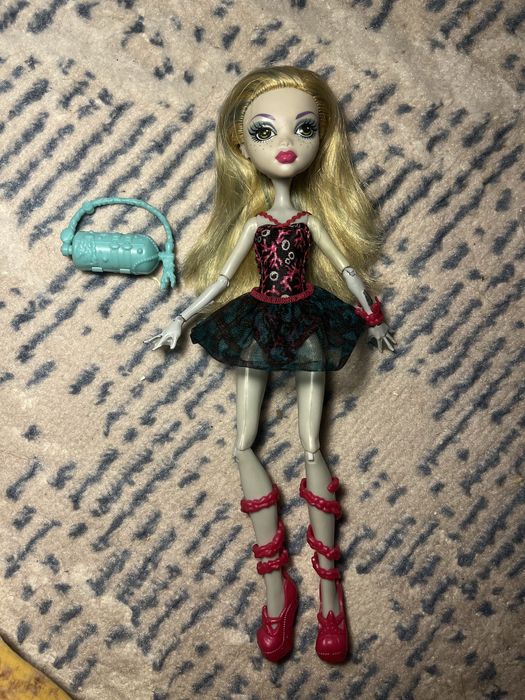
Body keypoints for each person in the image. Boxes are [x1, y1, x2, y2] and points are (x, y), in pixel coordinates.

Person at [147, 66, 395, 663]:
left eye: (303, 128)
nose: (286, 142)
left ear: (321, 141)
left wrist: (372, 314)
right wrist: (182, 317)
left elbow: (348, 269)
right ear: (241, 145)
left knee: (313, 446)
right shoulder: (256, 223)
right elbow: (224, 278)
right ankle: (276, 586)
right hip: (258, 316)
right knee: (243, 443)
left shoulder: (309, 223)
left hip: (308, 318)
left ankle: (329, 591)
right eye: (264, 131)